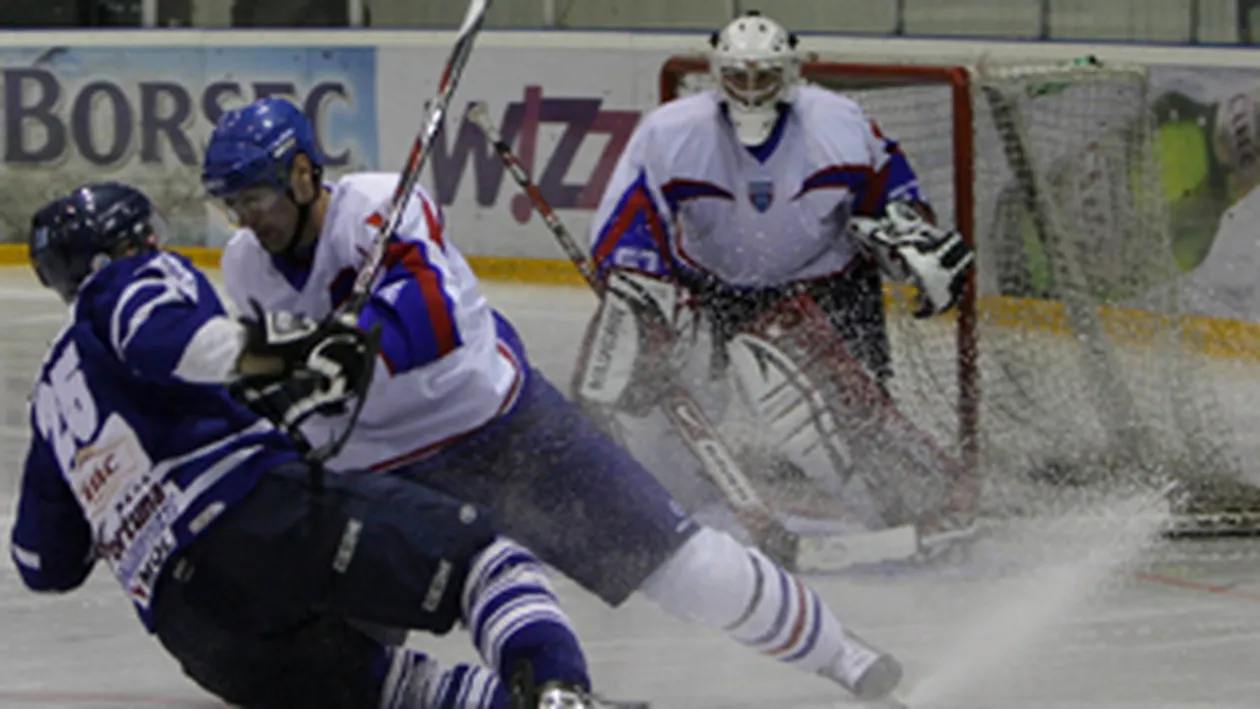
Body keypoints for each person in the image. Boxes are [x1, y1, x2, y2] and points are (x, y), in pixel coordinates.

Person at [202, 96, 904, 703]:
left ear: (301, 175)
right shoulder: (243, 262)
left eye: (255, 198)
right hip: (380, 473)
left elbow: (432, 321)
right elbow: (279, 384)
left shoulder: (381, 208)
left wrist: (329, 350)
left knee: (680, 563)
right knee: (329, 646)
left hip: (505, 430)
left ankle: (843, 653)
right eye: (232, 203)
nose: (246, 217)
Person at [10, 181, 613, 709]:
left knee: (400, 689)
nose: (154, 246)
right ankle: (562, 694)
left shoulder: (49, 396)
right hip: (259, 519)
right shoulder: (128, 280)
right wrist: (296, 356)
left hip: (194, 631)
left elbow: (44, 564)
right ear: (122, 248)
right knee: (487, 559)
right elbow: (164, 340)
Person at [574, 10, 978, 553]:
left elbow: (892, 190)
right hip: (710, 288)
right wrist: (638, 285)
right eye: (738, 77)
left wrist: (909, 233)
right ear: (717, 74)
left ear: (790, 73)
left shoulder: (838, 121)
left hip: (825, 286)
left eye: (764, 76)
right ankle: (663, 505)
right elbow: (624, 215)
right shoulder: (673, 131)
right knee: (650, 391)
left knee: (849, 423)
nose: (751, 90)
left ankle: (917, 510)